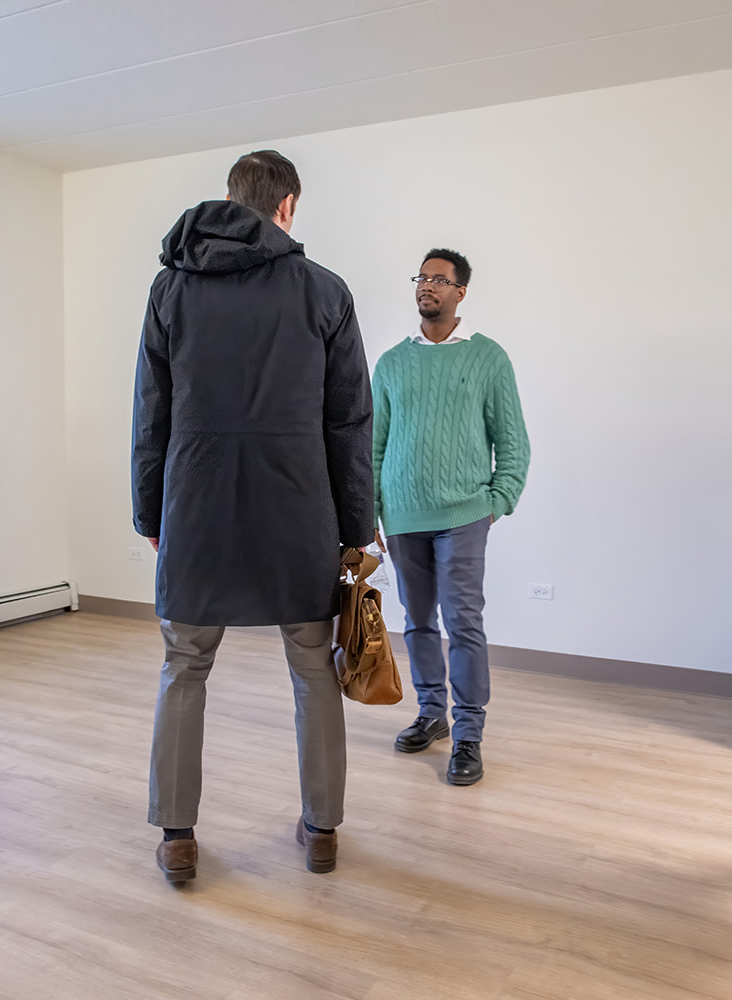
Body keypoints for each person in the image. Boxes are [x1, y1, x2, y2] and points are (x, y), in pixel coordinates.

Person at [133, 150, 373, 882]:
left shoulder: (172, 287)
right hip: (298, 506)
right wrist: (355, 527)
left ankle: (178, 837)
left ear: (233, 199)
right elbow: (349, 422)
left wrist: (150, 511)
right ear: (287, 206)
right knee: (313, 667)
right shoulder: (324, 291)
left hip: (196, 503)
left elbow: (151, 414)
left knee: (184, 666)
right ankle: (322, 829)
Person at [371, 249, 530, 787]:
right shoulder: (391, 362)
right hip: (402, 515)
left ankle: (468, 733)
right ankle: (431, 713)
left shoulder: (487, 358)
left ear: (460, 292)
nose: (427, 286)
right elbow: (373, 445)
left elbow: (512, 439)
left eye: (439, 279)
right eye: (422, 277)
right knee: (417, 621)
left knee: (463, 621)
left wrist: (497, 501)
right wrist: (370, 509)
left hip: (464, 513)